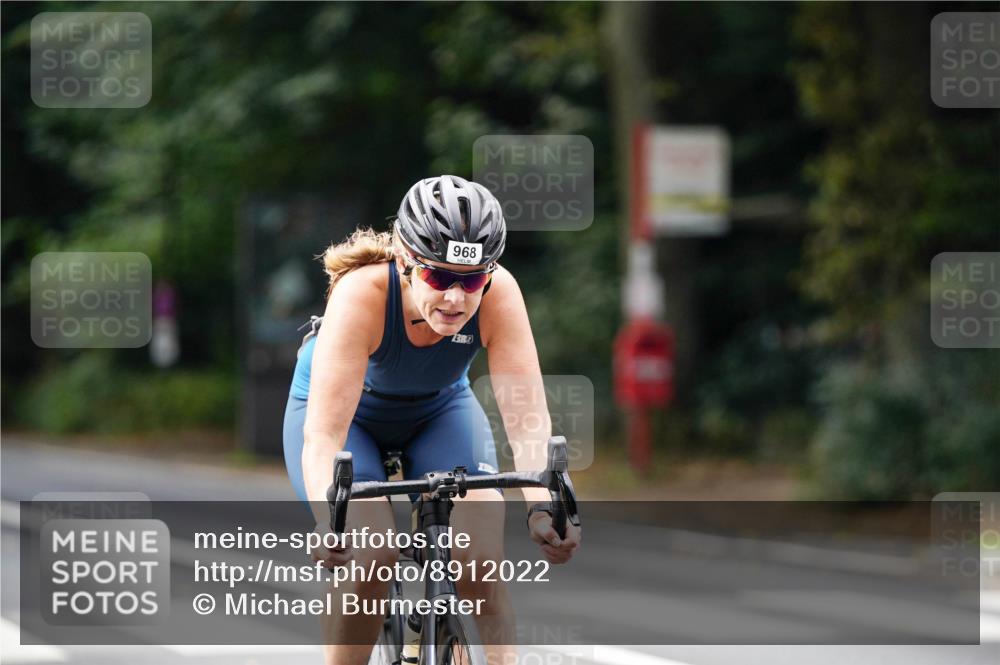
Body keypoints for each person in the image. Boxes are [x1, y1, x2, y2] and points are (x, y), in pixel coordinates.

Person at [282, 175, 582, 665]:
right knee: (370, 555)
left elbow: (527, 420)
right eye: (439, 278)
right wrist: (329, 520)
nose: (455, 299)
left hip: (437, 410)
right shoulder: (362, 293)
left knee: (481, 560)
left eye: (471, 281)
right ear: (404, 262)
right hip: (346, 418)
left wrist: (544, 506)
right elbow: (323, 436)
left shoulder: (500, 293)